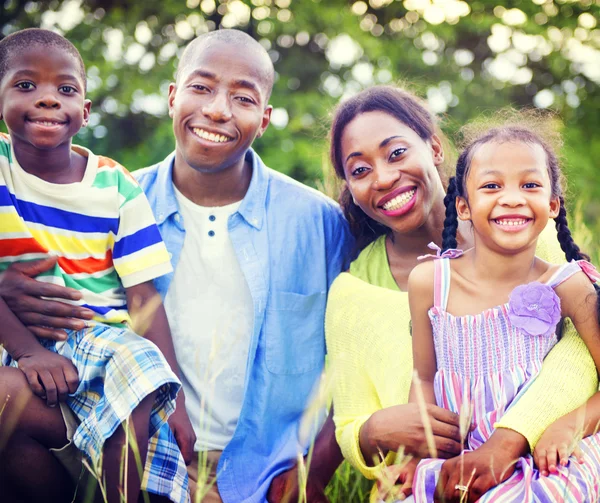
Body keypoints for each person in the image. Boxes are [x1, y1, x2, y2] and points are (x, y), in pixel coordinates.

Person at [0, 29, 351, 502]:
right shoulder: (110, 202)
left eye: (242, 98)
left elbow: (356, 358)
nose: (218, 110)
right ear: (172, 97)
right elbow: (53, 304)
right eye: (201, 87)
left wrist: (313, 472)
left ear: (264, 119)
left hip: (265, 476)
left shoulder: (319, 222)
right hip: (127, 451)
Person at [324, 86, 598, 503]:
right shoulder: (362, 290)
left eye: (396, 153)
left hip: (543, 453)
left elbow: (582, 357)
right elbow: (352, 420)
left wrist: (515, 439)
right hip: (447, 466)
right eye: (360, 170)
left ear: (434, 147)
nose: (383, 177)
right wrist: (377, 433)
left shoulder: (525, 236)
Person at [0, 28, 192, 503]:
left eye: (65, 90)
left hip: (102, 342)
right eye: (26, 85)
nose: (47, 99)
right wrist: (28, 352)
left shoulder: (115, 187)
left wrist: (179, 405)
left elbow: (144, 299)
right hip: (20, 343)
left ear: (84, 112)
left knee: (139, 359)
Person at [405, 121, 600, 501]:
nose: (512, 198)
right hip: (458, 456)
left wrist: (568, 426)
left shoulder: (568, 286)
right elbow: (423, 379)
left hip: (544, 457)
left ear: (553, 204)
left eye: (530, 185)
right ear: (463, 205)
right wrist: (420, 451)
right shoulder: (430, 281)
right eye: (492, 186)